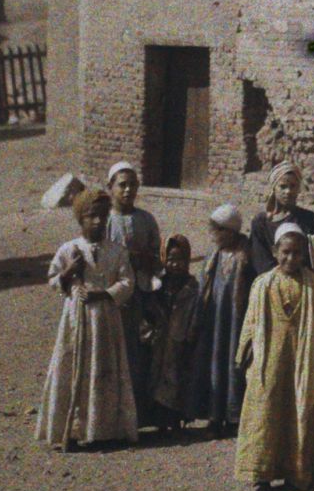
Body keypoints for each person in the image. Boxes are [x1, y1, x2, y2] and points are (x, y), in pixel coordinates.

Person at [35, 187, 138, 449]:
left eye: (103, 216)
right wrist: (69, 273)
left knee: (103, 370)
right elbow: (53, 280)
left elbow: (128, 281)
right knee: (72, 367)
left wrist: (105, 294)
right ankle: (70, 429)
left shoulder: (116, 251)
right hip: (76, 319)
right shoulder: (69, 249)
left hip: (105, 320)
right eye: (91, 216)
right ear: (80, 218)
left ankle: (102, 430)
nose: (98, 222)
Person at [235, 223, 314, 491]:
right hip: (270, 359)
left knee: (300, 409)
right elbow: (251, 322)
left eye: (297, 253)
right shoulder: (263, 285)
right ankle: (261, 475)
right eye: (286, 252)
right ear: (275, 251)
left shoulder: (313, 287)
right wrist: (245, 354)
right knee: (265, 410)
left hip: (302, 359)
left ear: (305, 255)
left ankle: (297, 471)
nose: (291, 259)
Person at [103, 161, 162, 420]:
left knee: (140, 352)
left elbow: (157, 257)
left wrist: (145, 260)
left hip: (143, 292)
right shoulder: (104, 221)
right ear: (110, 188)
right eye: (122, 185)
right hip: (114, 295)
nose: (128, 190)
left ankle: (140, 412)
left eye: (132, 185)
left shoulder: (146, 219)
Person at [190, 203, 254, 438]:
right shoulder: (213, 255)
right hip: (214, 322)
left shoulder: (245, 256)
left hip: (236, 321)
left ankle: (235, 416)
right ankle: (214, 416)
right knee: (214, 364)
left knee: (235, 364)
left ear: (231, 232)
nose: (214, 236)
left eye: (219, 231)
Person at [147, 234, 202, 436]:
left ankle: (176, 419)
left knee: (178, 378)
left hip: (181, 339)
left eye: (180, 260)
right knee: (158, 378)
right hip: (160, 340)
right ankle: (159, 420)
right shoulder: (158, 285)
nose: (175, 265)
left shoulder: (192, 286)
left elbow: (196, 313)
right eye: (170, 259)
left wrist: (191, 334)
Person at [249, 161, 314, 278]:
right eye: (283, 186)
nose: (288, 191)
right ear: (274, 188)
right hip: (270, 285)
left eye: (293, 186)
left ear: (298, 188)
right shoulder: (261, 223)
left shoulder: (310, 221)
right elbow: (260, 261)